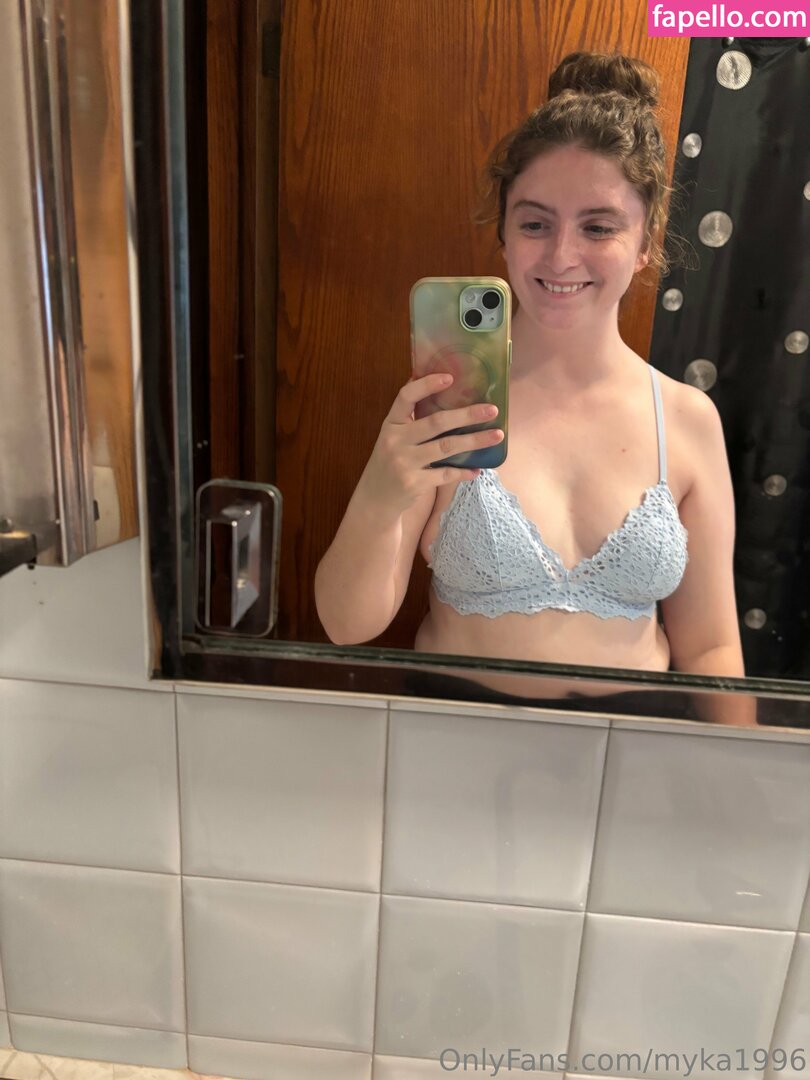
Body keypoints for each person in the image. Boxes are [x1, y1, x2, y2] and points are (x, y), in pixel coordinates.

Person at [314, 51, 756, 726]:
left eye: (598, 227)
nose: (561, 256)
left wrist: (736, 770)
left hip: (630, 753)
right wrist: (382, 488)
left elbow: (712, 646)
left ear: (646, 241)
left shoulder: (687, 420)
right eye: (535, 222)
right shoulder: (449, 396)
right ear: (504, 231)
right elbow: (348, 625)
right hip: (458, 740)